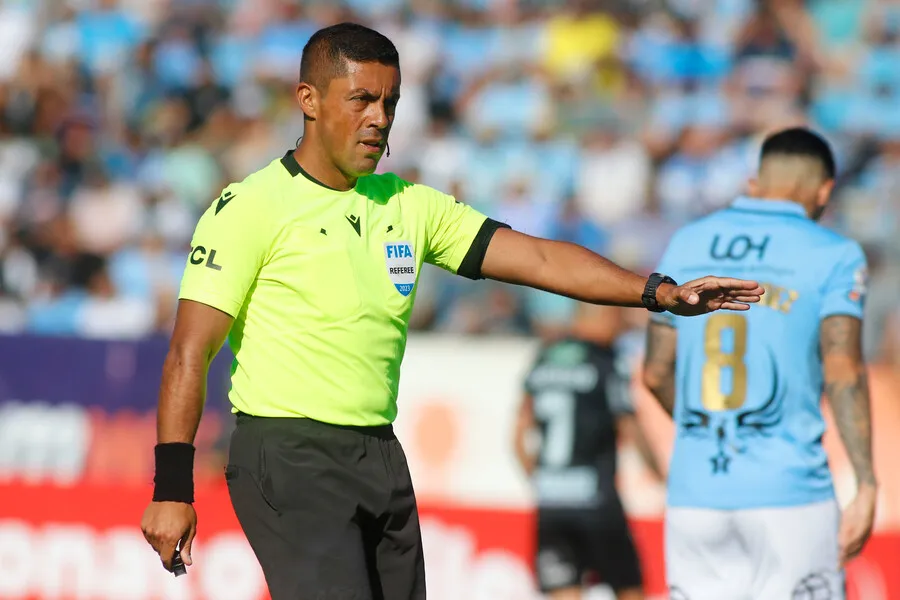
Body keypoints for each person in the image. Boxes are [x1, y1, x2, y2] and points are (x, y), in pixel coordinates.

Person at [140, 22, 763, 600]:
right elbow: (189, 353)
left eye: (390, 103)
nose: (379, 119)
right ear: (309, 99)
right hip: (287, 451)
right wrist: (172, 488)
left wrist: (656, 291)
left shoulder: (410, 205)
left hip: (380, 453)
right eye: (361, 100)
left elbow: (542, 261)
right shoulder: (249, 206)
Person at [642, 127, 876, 600]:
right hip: (790, 494)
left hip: (697, 493)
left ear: (754, 182)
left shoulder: (687, 241)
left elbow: (655, 372)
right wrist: (867, 481)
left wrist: (701, 431)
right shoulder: (834, 253)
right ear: (825, 191)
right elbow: (844, 369)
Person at [513, 303, 662, 600]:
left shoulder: (544, 357)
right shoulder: (607, 361)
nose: (621, 327)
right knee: (629, 589)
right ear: (602, 316)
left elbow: (518, 435)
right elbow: (628, 425)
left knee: (564, 592)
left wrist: (541, 480)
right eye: (617, 317)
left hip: (552, 502)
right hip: (597, 503)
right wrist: (660, 472)